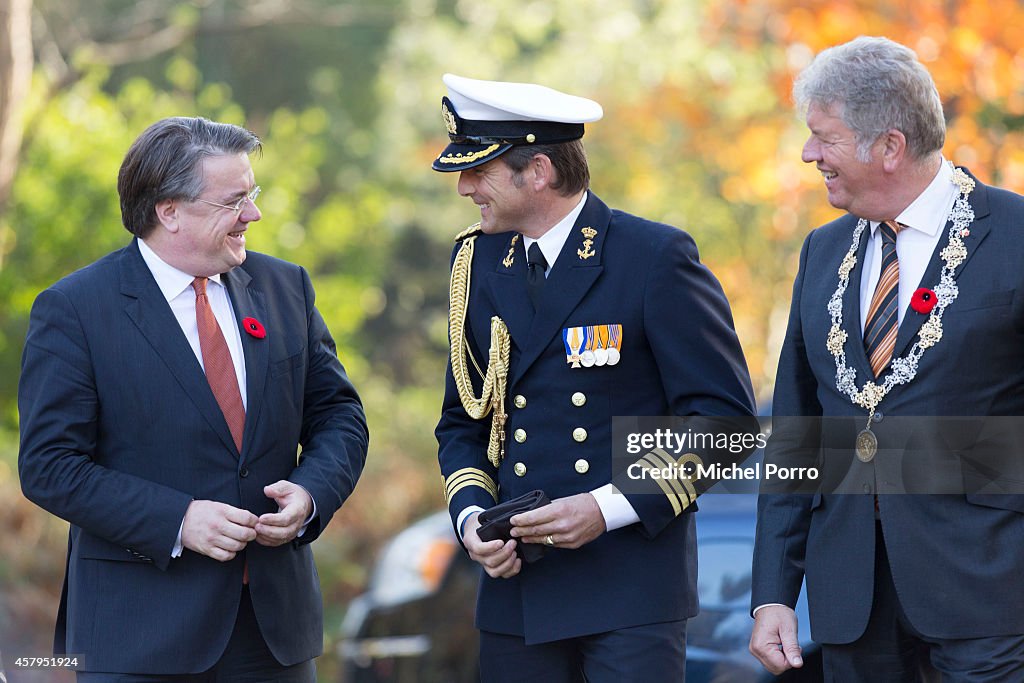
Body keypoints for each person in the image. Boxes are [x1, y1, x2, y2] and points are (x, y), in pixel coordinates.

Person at [18, 116, 369, 681]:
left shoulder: (285, 287)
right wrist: (177, 520)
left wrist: (311, 493)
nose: (252, 214)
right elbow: (48, 467)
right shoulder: (76, 309)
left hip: (274, 634)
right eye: (234, 201)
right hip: (139, 637)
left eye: (252, 195)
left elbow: (338, 414)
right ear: (169, 211)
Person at [432, 74, 756, 682]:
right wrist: (473, 518)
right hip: (516, 593)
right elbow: (461, 421)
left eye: (481, 170)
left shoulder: (653, 258)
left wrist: (606, 509)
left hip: (629, 595)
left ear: (540, 171)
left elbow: (726, 425)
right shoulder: (474, 264)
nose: (464, 188)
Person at [750, 36, 1024, 682]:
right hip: (853, 607)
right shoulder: (822, 251)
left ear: (890, 146)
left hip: (993, 600)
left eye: (825, 137)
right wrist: (773, 593)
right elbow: (796, 438)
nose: (809, 153)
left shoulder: (1014, 237)